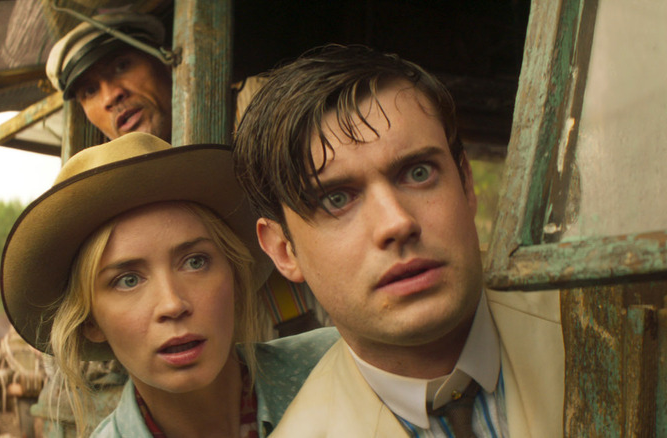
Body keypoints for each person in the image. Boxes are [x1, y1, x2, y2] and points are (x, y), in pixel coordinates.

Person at [232, 44, 564, 437]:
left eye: (419, 172)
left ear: (466, 183)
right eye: (336, 199)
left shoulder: (607, 317)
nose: (397, 223)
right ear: (283, 251)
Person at [0, 132, 338, 437]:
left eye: (195, 262)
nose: (173, 304)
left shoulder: (340, 366)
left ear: (235, 276)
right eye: (127, 280)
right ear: (90, 320)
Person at [45, 11, 321, 336]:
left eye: (122, 66)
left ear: (166, 60)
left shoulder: (258, 107)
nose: (111, 96)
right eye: (90, 91)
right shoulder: (109, 193)